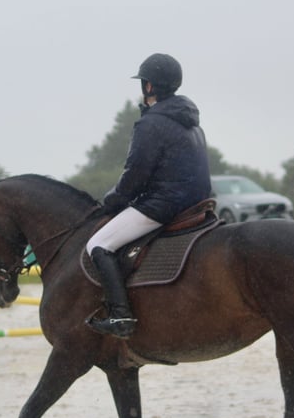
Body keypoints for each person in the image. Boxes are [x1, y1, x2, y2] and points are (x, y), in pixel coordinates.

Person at [85, 53, 212, 339]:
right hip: (196, 202)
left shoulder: (151, 123)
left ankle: (121, 316)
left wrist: (112, 201)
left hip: (164, 203)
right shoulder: (192, 122)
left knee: (98, 244)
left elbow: (135, 175)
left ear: (150, 87)